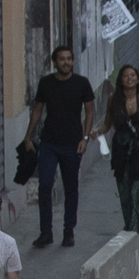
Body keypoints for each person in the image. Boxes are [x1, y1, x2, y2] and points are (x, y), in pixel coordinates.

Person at [32, 42, 99, 248]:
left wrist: (85, 138)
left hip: (72, 144)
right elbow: (37, 110)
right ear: (54, 62)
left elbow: (89, 111)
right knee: (44, 185)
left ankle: (68, 231)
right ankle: (46, 232)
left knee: (71, 188)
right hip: (49, 143)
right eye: (62, 59)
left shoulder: (81, 83)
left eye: (69, 59)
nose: (66, 62)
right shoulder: (46, 83)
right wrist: (28, 136)